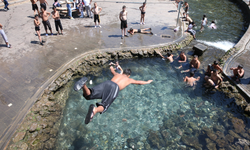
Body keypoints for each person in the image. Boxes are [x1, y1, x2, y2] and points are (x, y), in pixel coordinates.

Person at [73, 67, 153, 124]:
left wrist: (112, 67)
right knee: (105, 105)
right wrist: (147, 82)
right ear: (129, 75)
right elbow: (139, 82)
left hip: (107, 83)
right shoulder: (129, 79)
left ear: (123, 72)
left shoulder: (117, 74)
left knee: (89, 95)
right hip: (115, 87)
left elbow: (112, 70)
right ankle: (95, 110)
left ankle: (84, 85)